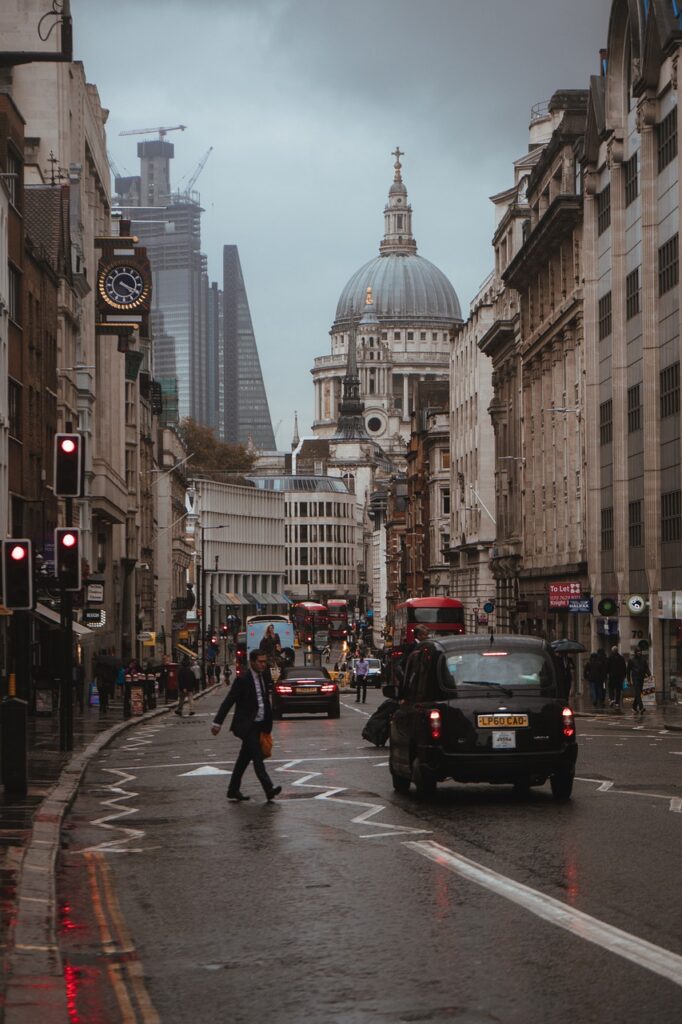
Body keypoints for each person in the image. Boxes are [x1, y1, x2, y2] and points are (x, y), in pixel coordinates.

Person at [211, 649, 282, 802]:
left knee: (243, 759)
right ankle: (269, 789)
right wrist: (217, 722)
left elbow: (263, 700)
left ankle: (233, 790)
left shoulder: (264, 676)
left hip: (260, 725)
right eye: (260, 662)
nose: (263, 665)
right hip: (247, 725)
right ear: (252, 662)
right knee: (257, 757)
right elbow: (229, 701)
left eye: (264, 661)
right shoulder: (243, 679)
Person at [627, 648, 651, 715]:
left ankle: (634, 707)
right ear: (635, 652)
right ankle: (641, 707)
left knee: (639, 693)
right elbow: (628, 671)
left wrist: (649, 675)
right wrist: (629, 680)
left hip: (641, 678)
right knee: (638, 693)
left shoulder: (643, 660)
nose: (639, 653)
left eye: (640, 651)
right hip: (635, 679)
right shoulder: (631, 660)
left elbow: (646, 668)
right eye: (638, 652)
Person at [606, 645, 627, 709]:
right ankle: (617, 702)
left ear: (612, 651)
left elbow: (607, 667)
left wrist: (607, 674)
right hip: (619, 677)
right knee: (618, 690)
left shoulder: (610, 657)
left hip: (612, 676)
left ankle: (612, 699)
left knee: (611, 688)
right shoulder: (621, 658)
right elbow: (624, 668)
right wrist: (624, 675)